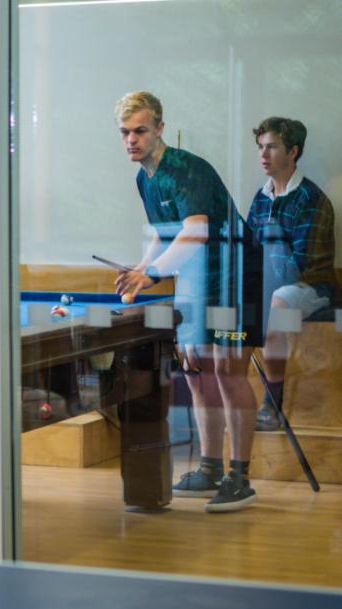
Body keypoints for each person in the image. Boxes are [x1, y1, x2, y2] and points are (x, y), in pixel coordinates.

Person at [114, 91, 263, 513]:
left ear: (159, 128)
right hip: (197, 280)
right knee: (197, 373)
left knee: (229, 372)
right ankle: (210, 468)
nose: (131, 140)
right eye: (125, 132)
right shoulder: (144, 177)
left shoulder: (187, 169)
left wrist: (154, 273)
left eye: (140, 130)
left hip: (236, 276)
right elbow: (164, 233)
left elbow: (195, 232)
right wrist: (139, 271)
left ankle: (241, 477)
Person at [247, 117, 336, 431]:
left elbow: (301, 265)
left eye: (271, 147)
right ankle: (235, 397)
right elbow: (250, 252)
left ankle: (272, 403)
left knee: (280, 301)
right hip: (272, 285)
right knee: (228, 300)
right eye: (260, 147)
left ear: (293, 151)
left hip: (312, 286)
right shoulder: (260, 197)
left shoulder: (312, 199)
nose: (263, 154)